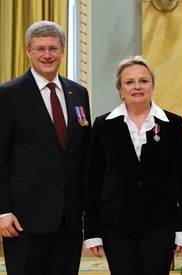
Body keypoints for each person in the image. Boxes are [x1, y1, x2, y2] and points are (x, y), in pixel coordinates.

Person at [83, 55, 182, 275]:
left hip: (161, 223)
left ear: (153, 86)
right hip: (115, 223)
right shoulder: (103, 124)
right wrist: (92, 230)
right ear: (120, 88)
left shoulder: (172, 123)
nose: (137, 87)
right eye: (129, 82)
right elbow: (93, 180)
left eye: (143, 81)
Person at [0, 21, 91, 275]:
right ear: (28, 51)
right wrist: (2, 211)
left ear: (62, 50)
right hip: (24, 219)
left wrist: (87, 206)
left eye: (53, 48)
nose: (47, 55)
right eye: (40, 49)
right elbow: (1, 158)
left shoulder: (78, 93)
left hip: (70, 219)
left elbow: (83, 154)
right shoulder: (9, 94)